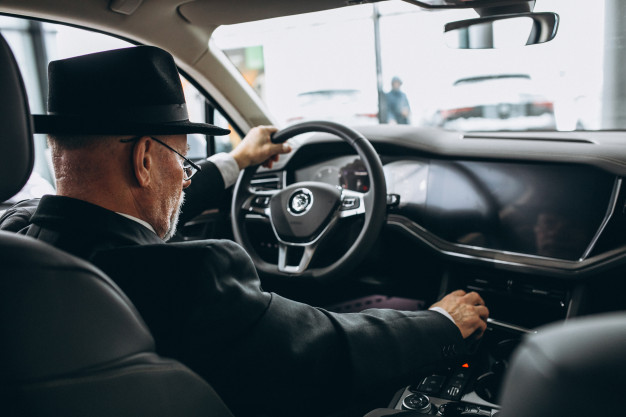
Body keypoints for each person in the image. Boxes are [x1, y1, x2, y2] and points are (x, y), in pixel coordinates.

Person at [0, 46, 488, 416]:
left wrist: (234, 163)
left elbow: (131, 213)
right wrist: (442, 324)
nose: (188, 176)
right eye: (183, 159)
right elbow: (327, 345)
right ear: (144, 160)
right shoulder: (192, 279)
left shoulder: (20, 243)